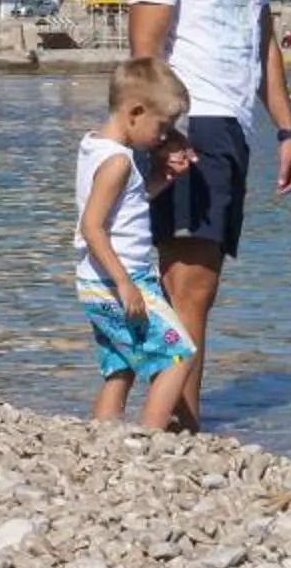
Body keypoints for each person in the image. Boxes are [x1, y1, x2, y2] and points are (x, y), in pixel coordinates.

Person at [122, 0, 291, 429]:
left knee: (198, 284)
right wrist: (161, 135)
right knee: (190, 282)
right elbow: (144, 54)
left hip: (233, 125)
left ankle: (171, 412)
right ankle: (176, 420)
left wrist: (288, 128)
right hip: (187, 120)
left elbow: (262, 38)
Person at [73, 57, 201, 427]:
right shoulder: (118, 162)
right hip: (120, 280)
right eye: (161, 127)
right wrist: (126, 284)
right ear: (134, 112)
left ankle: (102, 435)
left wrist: (164, 180)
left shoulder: (94, 148)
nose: (163, 137)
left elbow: (126, 205)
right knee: (179, 354)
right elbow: (92, 227)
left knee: (121, 365)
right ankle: (150, 435)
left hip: (95, 282)